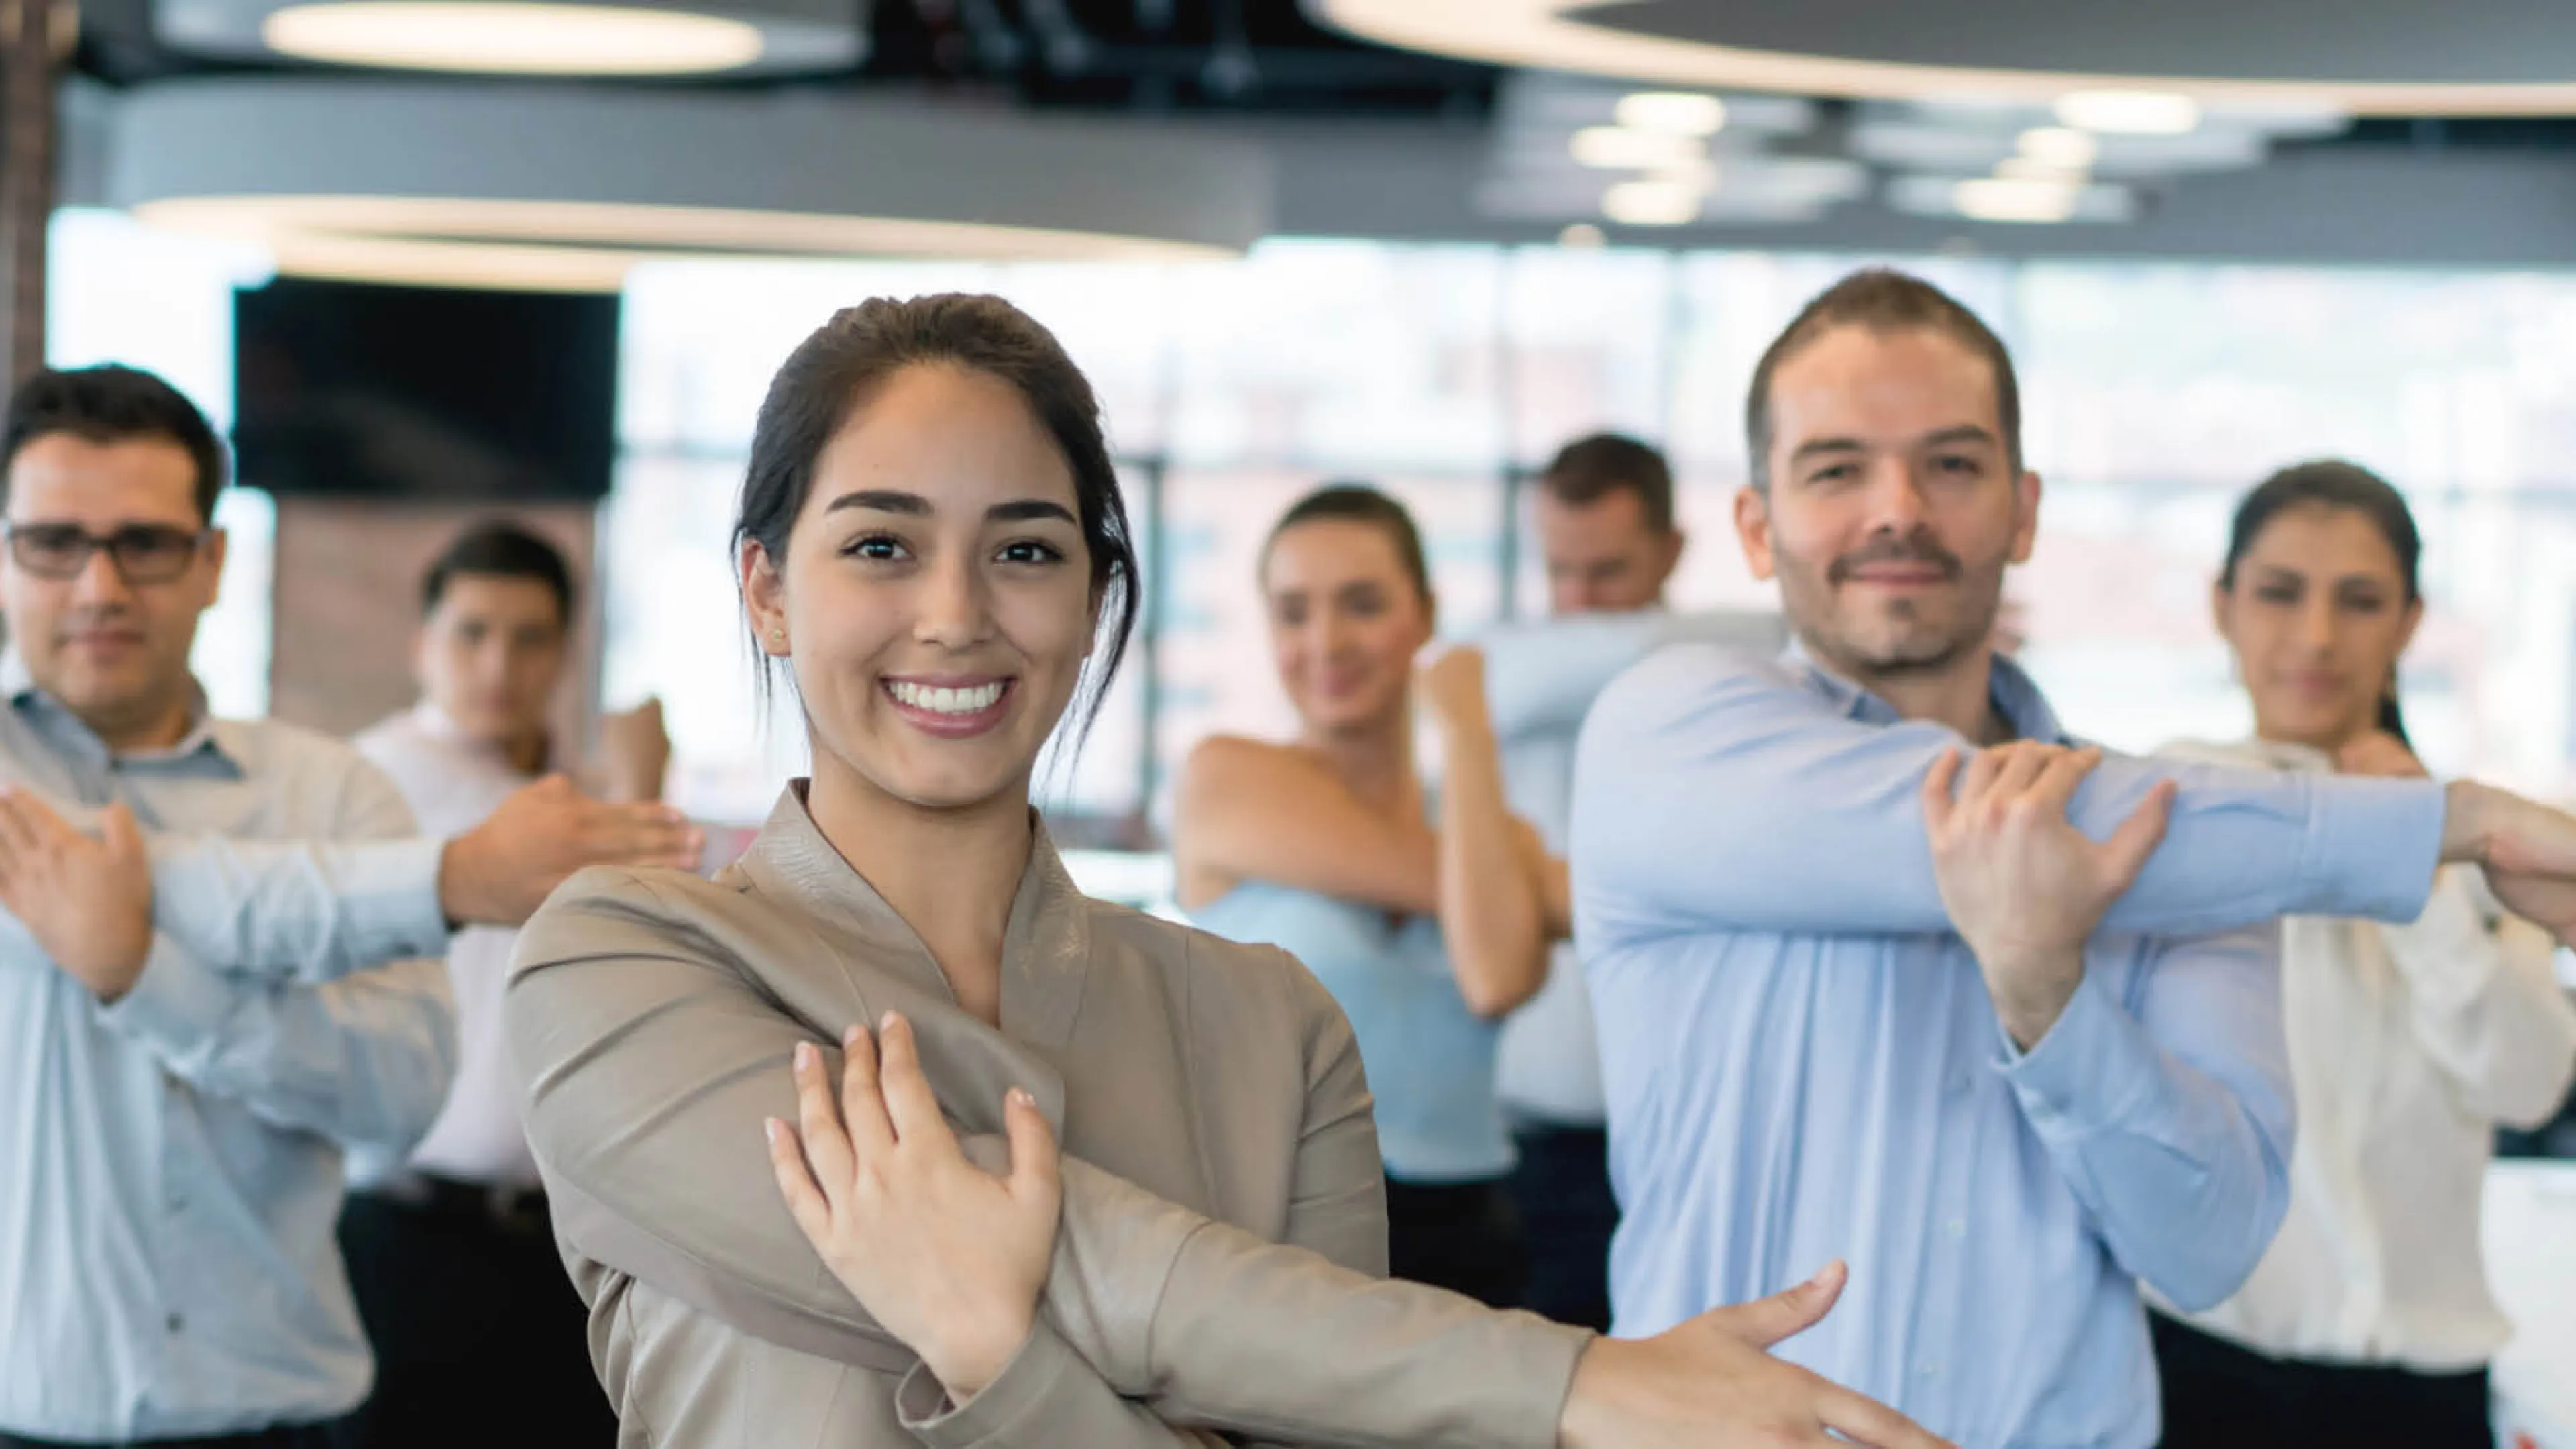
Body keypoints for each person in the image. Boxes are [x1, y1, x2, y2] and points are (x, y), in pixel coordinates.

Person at [502, 292, 1950, 1449]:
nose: (953, 616)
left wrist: (997, 1344)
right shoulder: (623, 963)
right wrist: (1570, 1389)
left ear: (1094, 602)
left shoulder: (1276, 1028)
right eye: (881, 544)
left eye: (1025, 549)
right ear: (766, 588)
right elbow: (1116, 1265)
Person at [1568, 269, 2576, 1447]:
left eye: (1951, 464)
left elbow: (2205, 1251)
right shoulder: (1669, 732)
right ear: (1756, 526)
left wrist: (2051, 1002)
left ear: (2025, 510)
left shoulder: (2200, 848)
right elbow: (1955, 821)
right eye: (1837, 469)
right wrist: (2461, 823)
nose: (1898, 509)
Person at [0, 364, 700, 1449]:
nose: (99, 587)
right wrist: (449, 878)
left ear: (213, 561)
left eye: (144, 543)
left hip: (284, 1415)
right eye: (53, 542)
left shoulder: (326, 792)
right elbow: (222, 888)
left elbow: (393, 1101)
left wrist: (142, 968)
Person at [2147, 460, 2576, 1448]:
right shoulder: (2167, 811)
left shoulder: (2479, 844)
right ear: (2223, 606)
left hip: (2421, 1392)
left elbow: (2527, 1084)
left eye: (2361, 600)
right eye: (2280, 593)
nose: (2317, 639)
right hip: (2207, 1374)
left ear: (2411, 623)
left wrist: (2413, 854)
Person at [1173, 482, 1560, 1307]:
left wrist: (1465, 730)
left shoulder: (1499, 835)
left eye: (1362, 604)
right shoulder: (1228, 779)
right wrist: (1524, 887)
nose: (1326, 641)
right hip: (1276, 1245)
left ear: (1424, 614)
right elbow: (1481, 921)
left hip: (1471, 1245)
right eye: (1293, 611)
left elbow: (1494, 975)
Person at [334, 521, 669, 1449]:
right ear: (422, 645)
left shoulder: (566, 788)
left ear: (565, 651)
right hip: (408, 1235)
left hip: (563, 1244)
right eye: (471, 632)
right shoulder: (380, 777)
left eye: (529, 638)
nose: (498, 664)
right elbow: (642, 867)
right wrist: (640, 780)